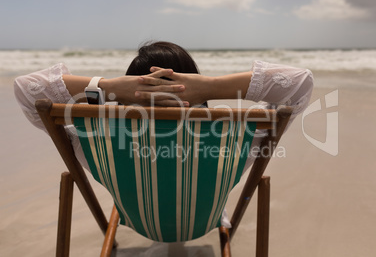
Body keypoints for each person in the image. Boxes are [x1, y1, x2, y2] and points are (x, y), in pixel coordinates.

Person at [14, 40, 314, 228]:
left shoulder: (95, 139)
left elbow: (27, 89)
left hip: (139, 222)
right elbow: (300, 84)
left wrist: (108, 86)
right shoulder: (235, 137)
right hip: (203, 223)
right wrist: (211, 85)